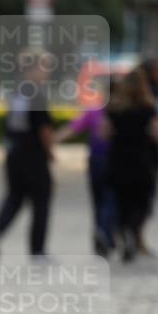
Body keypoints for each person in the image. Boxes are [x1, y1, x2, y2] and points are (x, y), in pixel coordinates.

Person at [0, 53, 54, 259]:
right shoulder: (37, 94)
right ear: (31, 69)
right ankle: (37, 249)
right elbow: (44, 128)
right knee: (41, 200)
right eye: (43, 68)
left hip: (14, 153)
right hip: (34, 155)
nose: (46, 73)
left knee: (15, 196)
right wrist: (51, 153)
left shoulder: (17, 91)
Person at [104, 68, 158, 262]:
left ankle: (124, 237)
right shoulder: (148, 109)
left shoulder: (114, 109)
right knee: (142, 202)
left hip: (118, 160)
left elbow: (103, 133)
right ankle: (133, 230)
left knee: (122, 203)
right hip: (141, 160)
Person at [56, 99, 116, 257]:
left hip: (96, 161)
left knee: (98, 201)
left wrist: (52, 140)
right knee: (110, 199)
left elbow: (73, 128)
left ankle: (101, 234)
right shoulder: (120, 112)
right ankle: (104, 233)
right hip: (113, 162)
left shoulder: (94, 111)